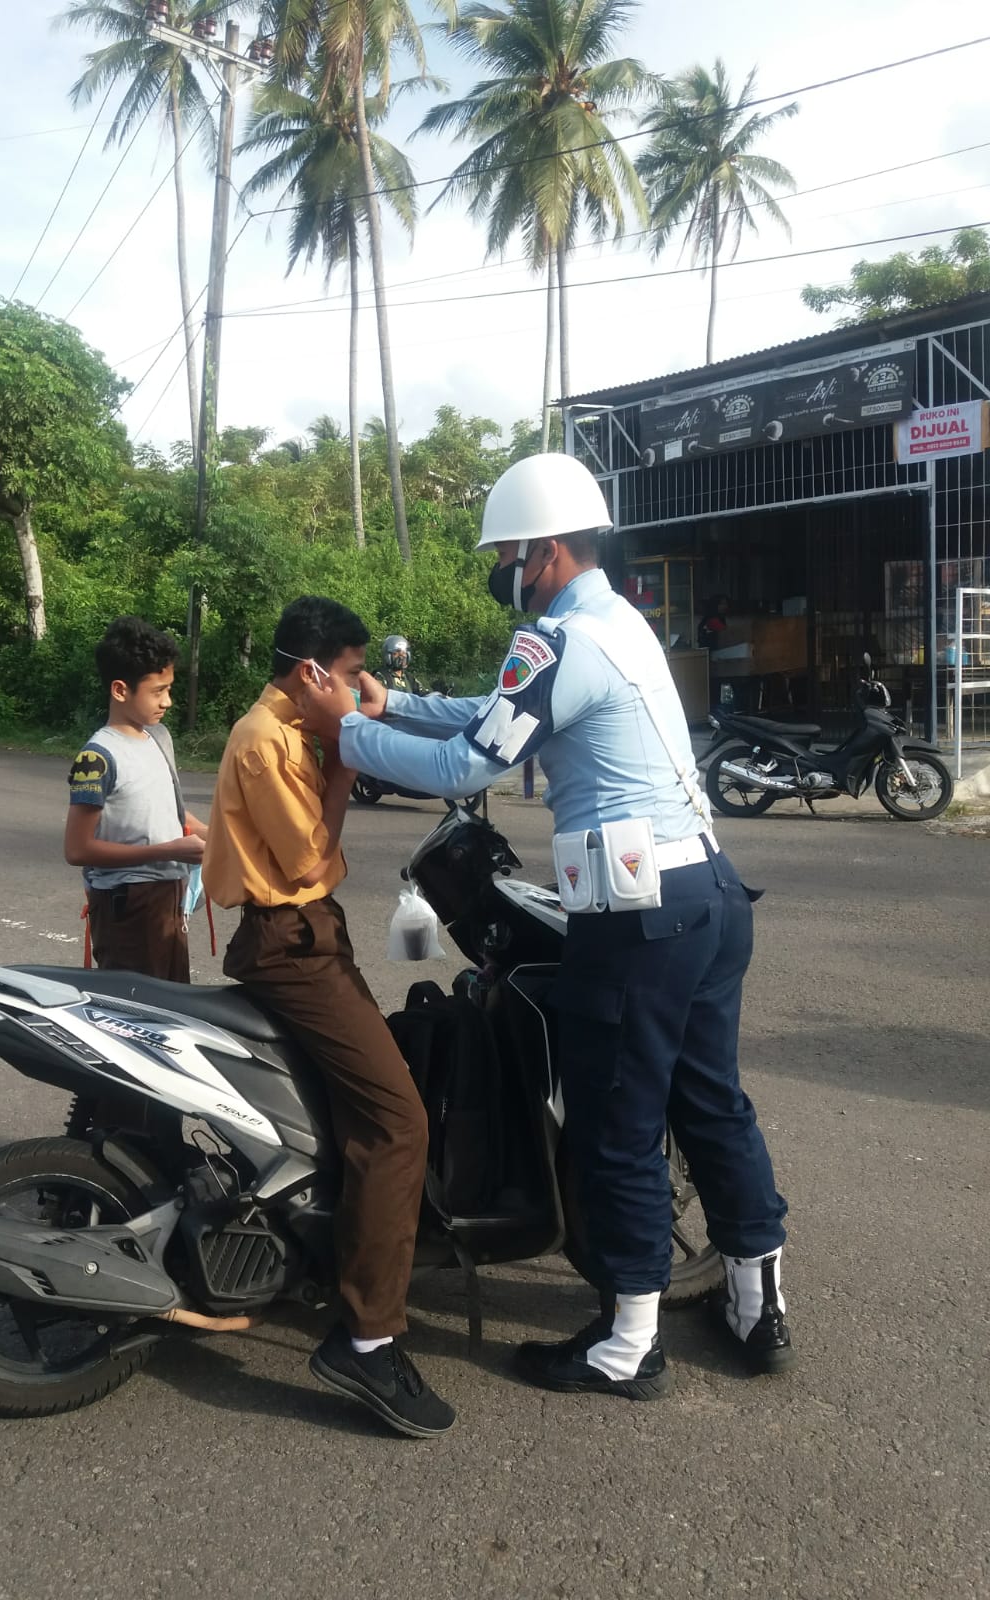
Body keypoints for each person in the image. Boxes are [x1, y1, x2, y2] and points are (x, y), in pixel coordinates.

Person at [300, 454, 792, 1402]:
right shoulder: (615, 624)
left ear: (545, 549)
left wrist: (343, 733)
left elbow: (469, 766)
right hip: (707, 896)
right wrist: (390, 702)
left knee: (615, 1121)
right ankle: (756, 1300)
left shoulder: (555, 641)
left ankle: (628, 1342)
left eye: (508, 554)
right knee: (711, 1102)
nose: (502, 570)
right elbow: (494, 716)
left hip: (637, 920)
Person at [201, 595, 454, 1439]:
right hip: (290, 945)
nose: (354, 689)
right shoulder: (269, 739)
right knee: (398, 1120)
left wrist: (358, 729)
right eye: (346, 676)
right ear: (310, 673)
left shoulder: (289, 726)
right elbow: (311, 856)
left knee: (357, 1111)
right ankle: (368, 1339)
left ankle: (327, 1264)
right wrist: (346, 758)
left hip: (309, 937)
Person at [65, 616, 208, 982]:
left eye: (169, 688)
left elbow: (168, 813)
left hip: (169, 900)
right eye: (157, 691)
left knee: (176, 1011)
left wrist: (221, 836)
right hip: (128, 909)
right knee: (140, 1017)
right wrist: (169, 851)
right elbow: (78, 850)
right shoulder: (97, 758)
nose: (168, 701)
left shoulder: (158, 737)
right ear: (119, 690)